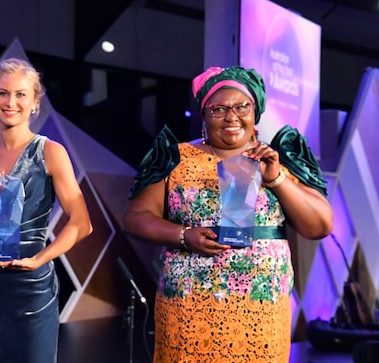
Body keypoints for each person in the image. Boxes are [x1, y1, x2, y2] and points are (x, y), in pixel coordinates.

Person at [123, 65, 333, 363]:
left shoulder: (278, 159)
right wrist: (183, 236)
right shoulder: (174, 157)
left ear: (255, 111)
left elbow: (320, 225)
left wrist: (274, 178)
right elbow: (135, 218)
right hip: (189, 306)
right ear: (204, 115)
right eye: (218, 108)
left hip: (260, 309)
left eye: (241, 107)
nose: (231, 116)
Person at [0, 58, 92, 363]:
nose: (10, 102)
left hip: (32, 282)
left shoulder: (51, 152)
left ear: (34, 103)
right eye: (3, 93)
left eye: (20, 94)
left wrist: (38, 260)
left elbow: (82, 224)